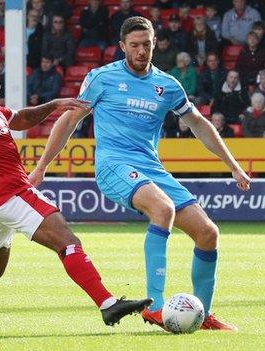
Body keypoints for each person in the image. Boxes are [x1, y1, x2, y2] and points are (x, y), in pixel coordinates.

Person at [0, 50, 152, 331]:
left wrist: (54, 104)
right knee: (67, 241)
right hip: (9, 193)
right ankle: (108, 304)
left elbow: (20, 118)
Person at [28, 17, 250, 331]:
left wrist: (233, 165)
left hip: (151, 169)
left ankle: (202, 316)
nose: (141, 51)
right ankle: (155, 307)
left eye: (146, 44)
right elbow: (68, 121)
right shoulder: (101, 78)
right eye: (134, 45)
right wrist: (41, 167)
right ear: (122, 47)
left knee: (208, 233)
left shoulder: (168, 85)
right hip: (113, 166)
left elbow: (200, 124)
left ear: (154, 43)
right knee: (163, 209)